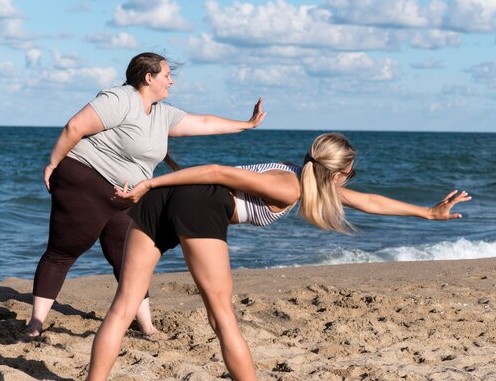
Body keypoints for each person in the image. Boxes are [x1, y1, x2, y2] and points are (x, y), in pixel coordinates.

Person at [85, 132, 472, 381]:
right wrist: (149, 181)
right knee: (222, 316)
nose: (349, 185)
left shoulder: (300, 180)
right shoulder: (286, 187)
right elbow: (218, 171)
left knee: (124, 307)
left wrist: (428, 212)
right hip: (191, 200)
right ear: (336, 175)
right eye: (350, 176)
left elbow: (368, 202)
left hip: (162, 202)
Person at [26, 52, 266, 337]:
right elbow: (74, 127)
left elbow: (202, 123)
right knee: (65, 250)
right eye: (166, 75)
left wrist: (246, 124)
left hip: (125, 196)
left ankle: (146, 325)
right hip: (86, 180)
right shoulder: (120, 99)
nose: (171, 81)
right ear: (148, 78)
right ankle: (35, 323)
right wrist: (52, 164)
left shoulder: (162, 114)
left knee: (128, 259)